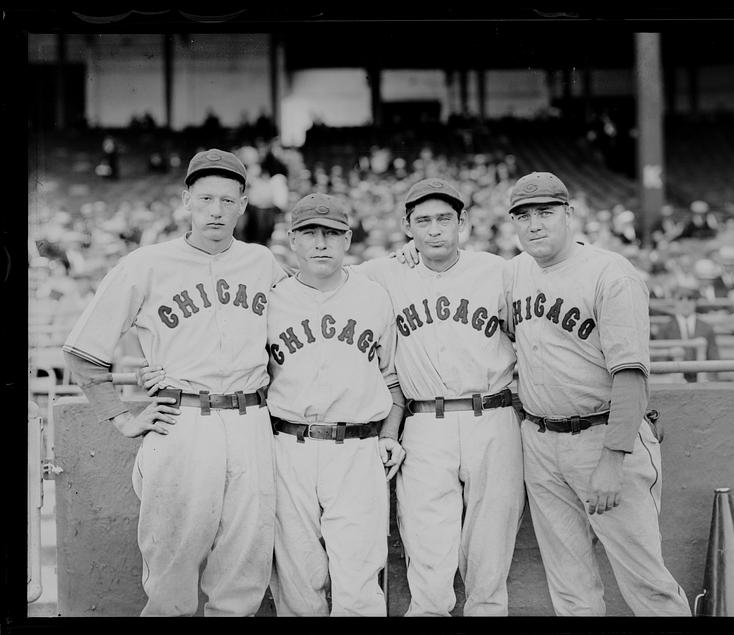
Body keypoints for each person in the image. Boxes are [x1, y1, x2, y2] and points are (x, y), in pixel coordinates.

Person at [62, 149, 287, 616]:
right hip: (183, 421)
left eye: (228, 200)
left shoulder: (263, 263)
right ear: (186, 199)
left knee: (244, 570)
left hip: (251, 422)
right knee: (171, 573)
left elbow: (314, 308)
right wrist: (122, 417)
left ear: (244, 203)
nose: (216, 210)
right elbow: (83, 352)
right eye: (205, 198)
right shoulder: (146, 264)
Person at [504, 171, 691, 616]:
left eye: (546, 212)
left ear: (570, 214)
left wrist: (613, 457)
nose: (534, 224)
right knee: (570, 590)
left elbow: (631, 374)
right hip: (540, 440)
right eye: (523, 215)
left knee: (647, 585)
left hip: (603, 437)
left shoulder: (610, 273)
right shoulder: (513, 271)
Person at [356, 178, 525, 616]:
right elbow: (320, 280)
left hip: (493, 413)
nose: (434, 230)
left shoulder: (498, 271)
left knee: (491, 552)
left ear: (462, 222)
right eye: (423, 221)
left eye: (444, 219)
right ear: (408, 226)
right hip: (424, 421)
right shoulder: (383, 273)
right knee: (428, 548)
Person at [266, 193, 406, 616]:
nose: (321, 243)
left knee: (359, 581)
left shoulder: (374, 297)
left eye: (331, 233)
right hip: (288, 445)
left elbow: (393, 379)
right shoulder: (271, 300)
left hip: (358, 447)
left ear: (348, 240)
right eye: (310, 233)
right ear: (293, 240)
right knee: (296, 580)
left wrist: (388, 434)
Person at [654, 285, 719, 382]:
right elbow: (659, 361)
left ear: (695, 302)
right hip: (674, 381)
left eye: (690, 299)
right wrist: (673, 377)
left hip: (702, 381)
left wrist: (707, 380)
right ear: (674, 302)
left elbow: (714, 360)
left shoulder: (707, 328)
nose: (685, 303)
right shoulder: (664, 329)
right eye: (680, 299)